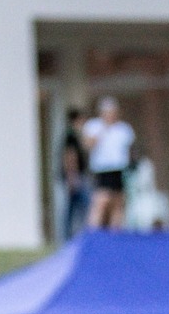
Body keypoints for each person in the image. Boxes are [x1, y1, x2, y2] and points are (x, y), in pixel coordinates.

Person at [82, 97, 135, 232]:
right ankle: (93, 232)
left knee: (118, 202)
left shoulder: (123, 129)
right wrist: (103, 131)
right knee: (101, 201)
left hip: (119, 169)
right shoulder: (94, 126)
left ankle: (115, 233)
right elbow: (88, 145)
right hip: (102, 169)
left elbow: (129, 150)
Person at [58, 107, 90, 241]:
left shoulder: (73, 135)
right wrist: (72, 177)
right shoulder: (71, 136)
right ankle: (71, 237)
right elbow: (70, 157)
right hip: (75, 177)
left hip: (75, 177)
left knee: (72, 208)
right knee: (84, 206)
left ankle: (69, 237)